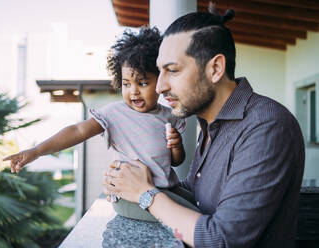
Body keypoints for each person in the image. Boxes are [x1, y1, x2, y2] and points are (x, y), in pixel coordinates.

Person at [103, 5, 305, 248]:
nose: (159, 87)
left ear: (215, 69)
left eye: (173, 70)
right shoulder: (210, 123)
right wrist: (130, 181)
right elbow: (198, 195)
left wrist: (144, 194)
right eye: (160, 72)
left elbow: (222, 239)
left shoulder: (267, 127)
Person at [3, 27, 198, 222]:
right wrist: (36, 151)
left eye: (143, 83)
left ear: (160, 80)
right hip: (130, 198)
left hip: (163, 190)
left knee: (197, 202)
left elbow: (175, 161)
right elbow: (78, 130)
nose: (133, 91)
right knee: (194, 216)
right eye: (126, 84)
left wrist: (176, 146)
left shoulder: (168, 116)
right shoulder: (115, 114)